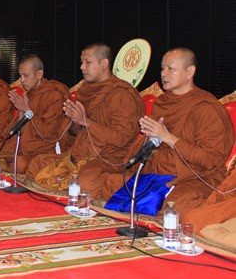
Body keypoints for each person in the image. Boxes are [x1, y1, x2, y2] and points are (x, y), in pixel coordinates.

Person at [81, 48, 234, 218]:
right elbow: (150, 145)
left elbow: (210, 159)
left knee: (178, 206)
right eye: (162, 68)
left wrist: (168, 138)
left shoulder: (206, 108)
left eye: (171, 68)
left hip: (191, 178)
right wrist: (150, 144)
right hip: (157, 174)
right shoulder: (164, 102)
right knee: (109, 182)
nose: (164, 74)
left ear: (190, 71)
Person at [25, 43, 144, 190]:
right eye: (82, 62)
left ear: (104, 63)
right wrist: (75, 122)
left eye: (87, 62)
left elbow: (121, 139)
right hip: (79, 154)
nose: (82, 67)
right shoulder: (86, 91)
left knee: (84, 182)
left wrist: (86, 122)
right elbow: (76, 133)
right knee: (37, 163)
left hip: (108, 159)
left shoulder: (122, 94)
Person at [0, 55, 73, 173]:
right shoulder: (30, 94)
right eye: (20, 76)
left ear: (39, 74)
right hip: (26, 144)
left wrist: (27, 109)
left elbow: (48, 133)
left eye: (26, 76)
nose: (21, 80)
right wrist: (22, 110)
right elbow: (21, 131)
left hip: (45, 148)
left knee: (18, 164)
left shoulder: (54, 95)